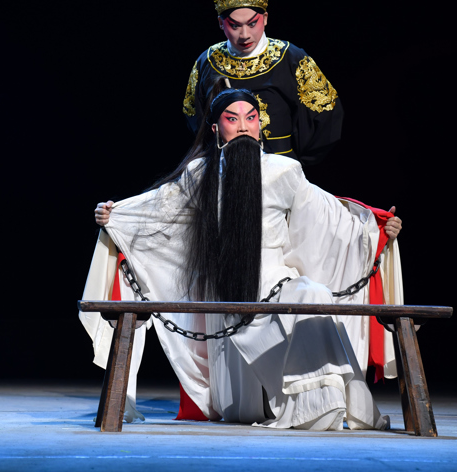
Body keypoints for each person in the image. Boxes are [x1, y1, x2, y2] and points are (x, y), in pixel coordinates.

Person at [81, 89, 404, 430]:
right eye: (232, 119)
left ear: (260, 125)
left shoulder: (285, 170)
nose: (243, 126)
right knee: (246, 401)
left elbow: (327, 218)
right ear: (215, 128)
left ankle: (322, 407)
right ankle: (299, 408)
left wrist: (375, 228)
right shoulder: (199, 174)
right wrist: (115, 215)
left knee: (314, 294)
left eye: (251, 118)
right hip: (227, 301)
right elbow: (157, 212)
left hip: (277, 283)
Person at [182, 0, 344, 166]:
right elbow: (194, 117)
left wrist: (295, 163)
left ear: (265, 18)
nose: (245, 35)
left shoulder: (291, 58)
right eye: (235, 25)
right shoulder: (207, 61)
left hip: (280, 168)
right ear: (221, 23)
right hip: (224, 168)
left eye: (252, 23)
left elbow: (327, 116)